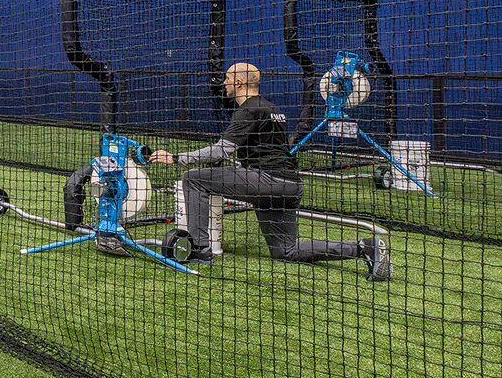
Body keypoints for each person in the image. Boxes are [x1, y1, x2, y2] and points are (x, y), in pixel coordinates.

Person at [147, 62, 390, 280]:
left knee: (193, 179)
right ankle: (364, 247)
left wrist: (176, 158)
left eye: (228, 78)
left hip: (267, 181)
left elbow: (221, 151)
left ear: (239, 82)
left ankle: (200, 250)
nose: (224, 83)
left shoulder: (248, 110)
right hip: (289, 186)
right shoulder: (273, 109)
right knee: (286, 251)